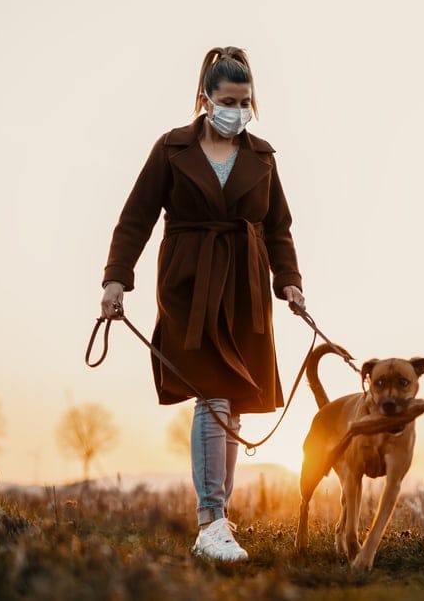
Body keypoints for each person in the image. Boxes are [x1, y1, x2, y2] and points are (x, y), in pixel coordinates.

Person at [99, 46, 304, 562]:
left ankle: (218, 522)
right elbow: (135, 218)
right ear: (205, 98)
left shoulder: (261, 156)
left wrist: (291, 283)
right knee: (211, 396)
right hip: (189, 288)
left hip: (247, 290)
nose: (238, 109)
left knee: (230, 400)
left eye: (246, 100)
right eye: (229, 99)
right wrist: (116, 280)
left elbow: (278, 227)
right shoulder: (171, 149)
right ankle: (211, 521)